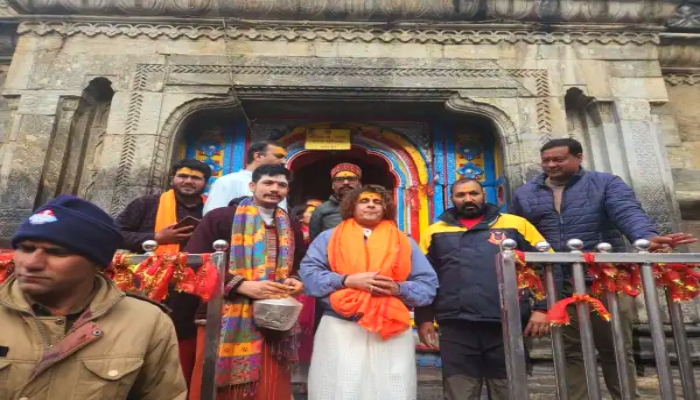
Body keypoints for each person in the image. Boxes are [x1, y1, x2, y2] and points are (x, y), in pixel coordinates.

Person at [510, 137, 696, 400]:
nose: (551, 165)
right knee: (569, 351)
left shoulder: (605, 183)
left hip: (603, 282)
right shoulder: (525, 193)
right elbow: (520, 233)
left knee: (616, 348)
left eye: (558, 159)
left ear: (579, 157)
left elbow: (627, 212)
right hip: (557, 283)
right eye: (546, 160)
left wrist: (644, 236)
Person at [0, 195, 186, 399]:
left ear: (98, 263)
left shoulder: (146, 322)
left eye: (57, 252)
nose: (31, 263)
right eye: (25, 249)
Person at [300, 185, 438, 400]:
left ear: (386, 208)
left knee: (392, 388)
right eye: (364, 201)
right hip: (340, 324)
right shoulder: (329, 238)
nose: (371, 204)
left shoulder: (404, 242)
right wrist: (346, 280)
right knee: (339, 387)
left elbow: (427, 285)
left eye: (377, 201)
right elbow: (309, 276)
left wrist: (398, 288)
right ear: (352, 207)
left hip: (390, 326)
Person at [415, 178, 549, 400]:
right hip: (456, 325)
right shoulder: (435, 231)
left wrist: (543, 308)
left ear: (483, 195)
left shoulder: (516, 225)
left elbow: (546, 266)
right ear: (452, 199)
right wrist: (424, 318)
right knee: (459, 392)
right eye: (461, 195)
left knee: (510, 390)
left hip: (507, 323)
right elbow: (425, 277)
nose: (468, 199)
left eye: (473, 193)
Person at [185, 164, 305, 400]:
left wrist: (294, 281)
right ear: (252, 186)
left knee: (270, 382)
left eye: (281, 185)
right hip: (225, 312)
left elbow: (299, 263)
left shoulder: (290, 224)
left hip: (275, 314)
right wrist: (241, 285)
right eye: (268, 183)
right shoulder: (220, 218)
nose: (274, 189)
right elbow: (193, 262)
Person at [115, 158, 211, 385]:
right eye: (183, 176)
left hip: (194, 287)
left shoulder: (212, 208)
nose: (188, 181)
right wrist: (155, 238)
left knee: (187, 336)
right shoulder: (147, 204)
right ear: (172, 178)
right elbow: (115, 233)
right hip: (149, 285)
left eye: (196, 178)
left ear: (206, 182)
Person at [203, 141, 288, 214]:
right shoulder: (227, 181)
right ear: (258, 156)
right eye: (279, 156)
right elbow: (212, 217)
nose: (284, 161)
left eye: (285, 158)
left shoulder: (279, 185)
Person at [308, 163, 362, 241]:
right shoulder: (321, 209)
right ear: (333, 185)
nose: (346, 182)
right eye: (339, 179)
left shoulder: (369, 207)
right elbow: (315, 241)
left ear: (360, 184)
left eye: (351, 179)